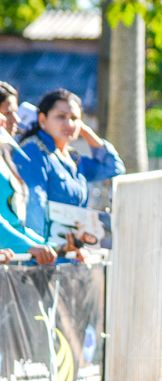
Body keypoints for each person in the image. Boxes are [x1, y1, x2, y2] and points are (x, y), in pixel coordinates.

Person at [15, 88, 125, 238]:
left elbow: (114, 167)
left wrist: (85, 131)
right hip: (46, 254)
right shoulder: (32, 151)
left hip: (70, 251)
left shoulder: (73, 158)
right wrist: (43, 248)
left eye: (74, 118)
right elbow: (34, 206)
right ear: (42, 120)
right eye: (61, 117)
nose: (69, 123)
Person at [0, 94, 57, 264]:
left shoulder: (5, 157)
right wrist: (28, 246)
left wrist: (54, 247)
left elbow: (15, 223)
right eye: (7, 112)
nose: (12, 119)